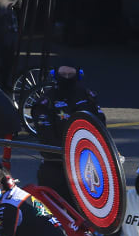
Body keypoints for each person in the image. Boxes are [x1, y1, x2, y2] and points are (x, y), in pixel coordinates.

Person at [30, 65, 105, 207]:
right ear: (55, 74)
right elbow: (47, 142)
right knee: (48, 215)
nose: (67, 77)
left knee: (87, 218)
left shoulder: (87, 96)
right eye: (63, 74)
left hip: (86, 170)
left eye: (70, 74)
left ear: (78, 74)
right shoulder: (45, 102)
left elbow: (101, 127)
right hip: (56, 168)